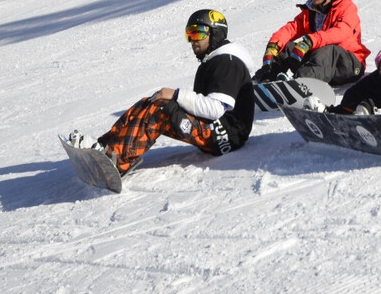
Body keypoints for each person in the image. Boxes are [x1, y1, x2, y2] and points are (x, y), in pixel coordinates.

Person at [66, 9, 257, 175]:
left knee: (161, 108)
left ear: (215, 34)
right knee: (150, 101)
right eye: (189, 34)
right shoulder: (213, 61)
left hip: (226, 137)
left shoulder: (228, 62)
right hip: (216, 131)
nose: (192, 40)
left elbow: (215, 109)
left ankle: (117, 162)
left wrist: (176, 95)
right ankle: (105, 148)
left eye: (198, 33)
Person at [255, 0, 369, 86]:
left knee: (329, 50)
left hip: (349, 65)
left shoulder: (346, 8)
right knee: (287, 47)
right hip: (320, 64)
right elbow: (291, 29)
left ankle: (299, 85)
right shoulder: (311, 11)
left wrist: (310, 41)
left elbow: (341, 32)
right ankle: (265, 79)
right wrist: (273, 46)